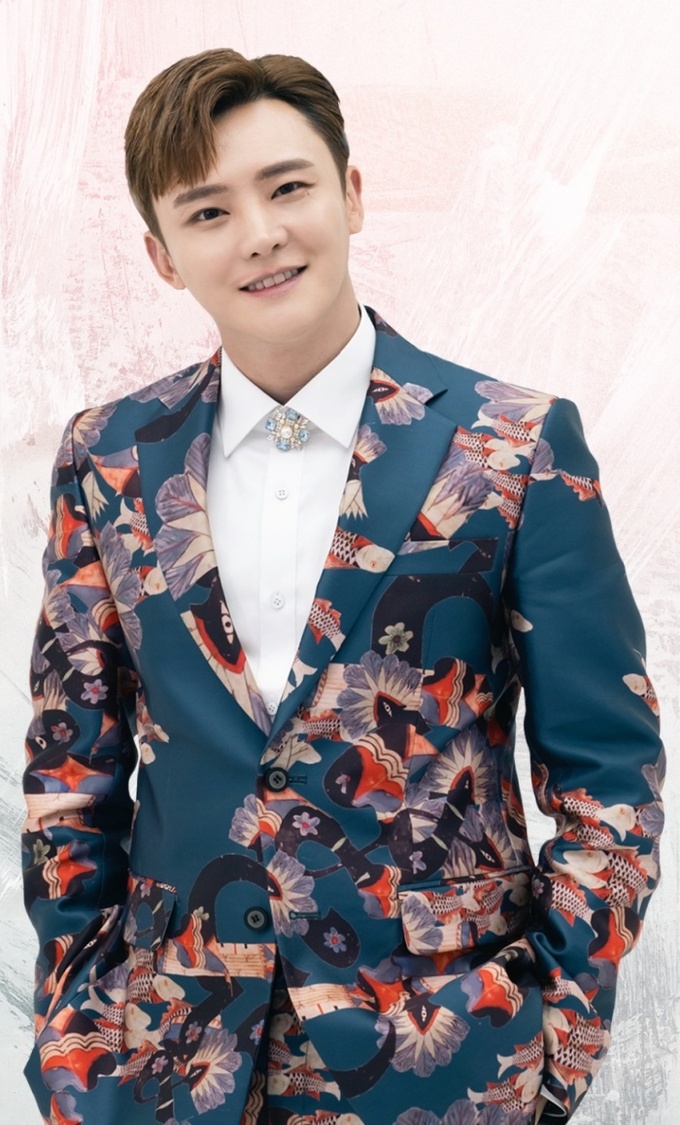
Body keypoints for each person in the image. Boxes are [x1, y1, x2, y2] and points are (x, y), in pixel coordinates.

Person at [21, 48, 664, 1125]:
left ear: (351, 195)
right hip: (167, 1065)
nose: (260, 233)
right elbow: (68, 768)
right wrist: (74, 1029)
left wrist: (552, 1042)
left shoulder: (511, 446)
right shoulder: (108, 455)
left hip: (445, 1062)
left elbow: (609, 774)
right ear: (162, 256)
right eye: (209, 211)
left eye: (287, 187)